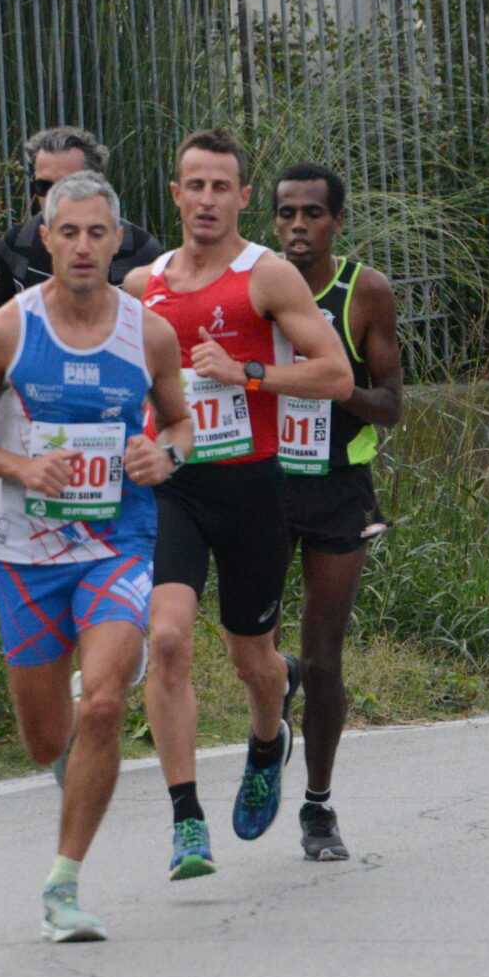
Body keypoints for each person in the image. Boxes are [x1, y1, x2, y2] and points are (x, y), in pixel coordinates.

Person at [0, 172, 195, 942]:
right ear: (45, 239)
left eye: (97, 233)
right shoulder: (8, 331)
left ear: (118, 240)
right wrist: (19, 467)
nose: (83, 246)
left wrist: (165, 458)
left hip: (117, 540)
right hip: (25, 549)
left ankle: (63, 885)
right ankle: (74, 761)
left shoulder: (148, 332)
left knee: (105, 701)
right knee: (49, 737)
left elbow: (178, 425)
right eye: (68, 232)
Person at [132, 131, 352, 880]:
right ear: (175, 193)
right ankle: (186, 819)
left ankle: (267, 740)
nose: (206, 201)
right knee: (166, 640)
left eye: (221, 187)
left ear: (242, 196)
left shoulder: (268, 278)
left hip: (254, 488)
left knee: (251, 659)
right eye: (194, 186)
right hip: (176, 488)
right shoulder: (144, 286)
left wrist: (247, 373)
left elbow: (336, 374)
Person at [269, 163, 405, 862]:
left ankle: (317, 806)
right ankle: (273, 686)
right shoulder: (252, 287)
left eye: (313, 213)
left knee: (326, 659)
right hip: (261, 483)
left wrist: (336, 387)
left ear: (337, 223)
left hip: (336, 486)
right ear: (272, 223)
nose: (299, 225)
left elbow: (391, 404)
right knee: (252, 650)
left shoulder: (364, 292)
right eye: (287, 212)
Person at [0, 126, 168, 307]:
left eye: (68, 186)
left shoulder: (143, 251)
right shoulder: (15, 245)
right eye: (43, 186)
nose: (54, 197)